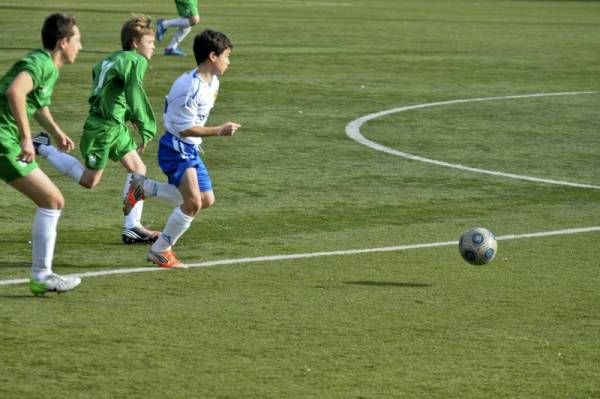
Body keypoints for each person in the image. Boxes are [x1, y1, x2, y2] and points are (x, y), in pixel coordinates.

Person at [35, 14, 183, 245]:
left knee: (138, 168)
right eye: (150, 42)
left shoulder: (111, 58)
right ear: (135, 43)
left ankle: (132, 227)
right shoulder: (136, 61)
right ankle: (44, 148)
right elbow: (134, 91)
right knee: (89, 180)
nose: (154, 47)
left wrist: (125, 114)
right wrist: (145, 124)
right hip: (103, 129)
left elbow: (105, 88)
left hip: (114, 124)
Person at [137, 29, 241, 267]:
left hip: (190, 149)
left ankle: (144, 188)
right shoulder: (188, 87)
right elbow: (183, 129)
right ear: (212, 56)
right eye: (226, 56)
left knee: (206, 199)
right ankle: (161, 249)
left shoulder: (213, 81)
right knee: (192, 203)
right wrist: (219, 130)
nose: (229, 62)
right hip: (176, 148)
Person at [0, 13, 82, 295]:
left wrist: (57, 132)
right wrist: (26, 138)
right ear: (63, 42)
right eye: (77, 40)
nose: (80, 47)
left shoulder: (48, 66)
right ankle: (41, 275)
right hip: (3, 138)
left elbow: (36, 103)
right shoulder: (40, 63)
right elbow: (15, 92)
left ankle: (41, 274)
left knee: (53, 200)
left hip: (5, 137)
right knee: (52, 200)